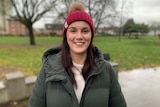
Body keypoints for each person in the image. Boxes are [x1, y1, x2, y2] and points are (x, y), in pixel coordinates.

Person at [28, 1, 126, 107]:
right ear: (66, 35)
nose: (79, 36)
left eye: (85, 31)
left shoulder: (106, 70)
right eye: (73, 31)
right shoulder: (48, 70)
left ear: (91, 35)